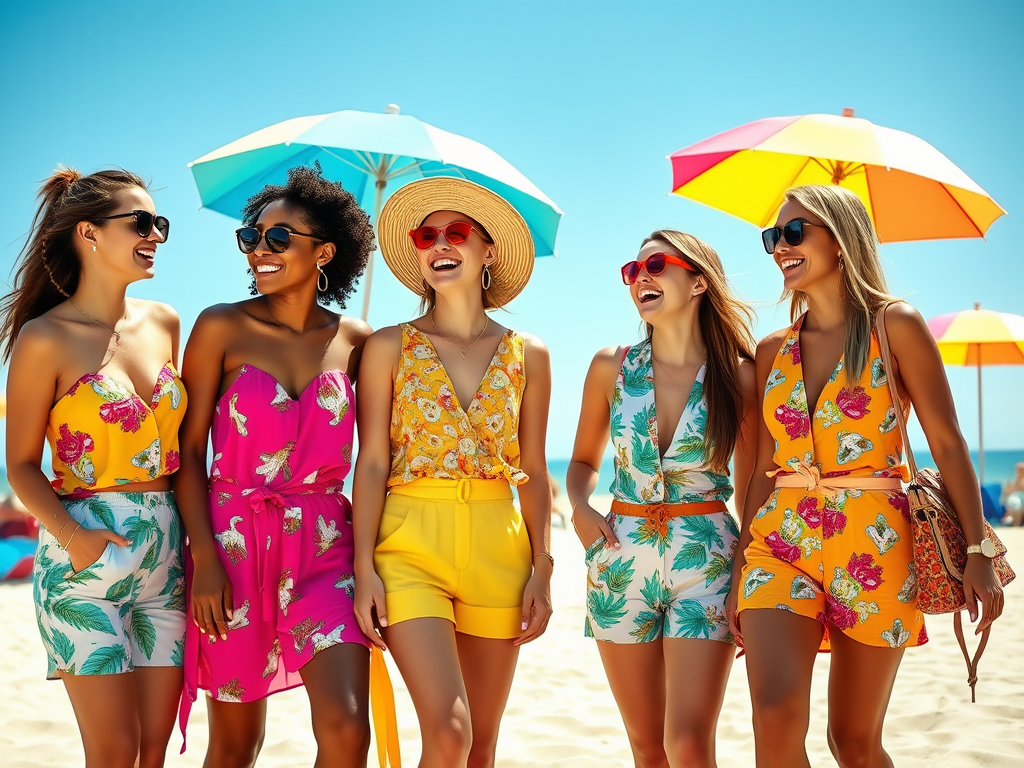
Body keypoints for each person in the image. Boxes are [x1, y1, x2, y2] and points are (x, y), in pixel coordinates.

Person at [729, 185, 1006, 768]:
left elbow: (948, 444)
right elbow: (759, 472)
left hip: (875, 546)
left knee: (852, 743)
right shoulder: (771, 350)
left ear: (842, 238)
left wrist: (979, 549)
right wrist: (739, 569)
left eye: (795, 232)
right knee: (774, 718)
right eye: (771, 237)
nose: (780, 246)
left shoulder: (894, 326)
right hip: (779, 545)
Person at [174, 164, 387, 768]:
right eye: (252, 237)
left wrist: (371, 563)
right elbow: (188, 455)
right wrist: (206, 560)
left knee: (348, 731)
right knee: (238, 746)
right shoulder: (221, 325)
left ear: (324, 252)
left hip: (325, 551)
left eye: (277, 238)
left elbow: (374, 460)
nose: (259, 251)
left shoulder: (358, 339)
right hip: (232, 546)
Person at [352, 177, 553, 768]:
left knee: (481, 748)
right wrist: (363, 566)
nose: (439, 244)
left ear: (489, 251)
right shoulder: (390, 345)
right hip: (409, 544)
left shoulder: (530, 352)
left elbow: (535, 469)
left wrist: (543, 565)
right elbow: (370, 463)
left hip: (500, 543)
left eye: (456, 233)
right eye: (426, 234)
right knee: (449, 735)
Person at [2, 167, 184, 768]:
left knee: (154, 750)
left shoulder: (164, 322)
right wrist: (77, 539)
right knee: (114, 753)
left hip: (168, 554)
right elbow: (22, 465)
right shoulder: (44, 337)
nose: (155, 233)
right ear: (88, 232)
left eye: (160, 223)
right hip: (87, 560)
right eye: (140, 222)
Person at [568, 231, 757, 768]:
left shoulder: (739, 378)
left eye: (656, 264)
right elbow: (582, 463)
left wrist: (746, 570)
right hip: (619, 560)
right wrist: (580, 508)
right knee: (648, 748)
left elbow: (750, 492)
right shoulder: (612, 366)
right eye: (633, 269)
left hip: (709, 564)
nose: (641, 277)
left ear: (699, 280)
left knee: (689, 745)